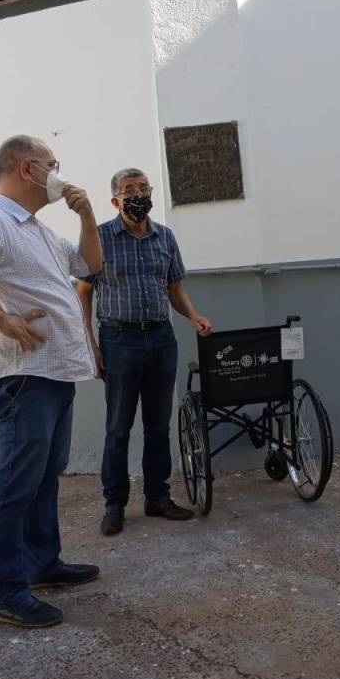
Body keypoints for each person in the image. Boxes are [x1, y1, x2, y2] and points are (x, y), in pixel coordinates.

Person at [0, 135, 104, 628]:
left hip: (55, 373)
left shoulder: (39, 231)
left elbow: (90, 265)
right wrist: (1, 318)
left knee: (44, 476)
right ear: (28, 169)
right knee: (15, 484)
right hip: (25, 377)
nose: (58, 170)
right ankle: (6, 591)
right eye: (53, 163)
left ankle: (43, 564)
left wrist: (87, 216)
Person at [76, 168, 212, 536]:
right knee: (118, 427)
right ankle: (114, 504)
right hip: (119, 341)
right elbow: (83, 293)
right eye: (128, 190)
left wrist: (193, 315)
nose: (137, 195)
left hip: (161, 338)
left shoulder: (165, 237)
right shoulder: (99, 237)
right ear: (115, 200)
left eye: (142, 188)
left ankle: (157, 496)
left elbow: (174, 288)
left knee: (158, 424)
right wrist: (90, 345)